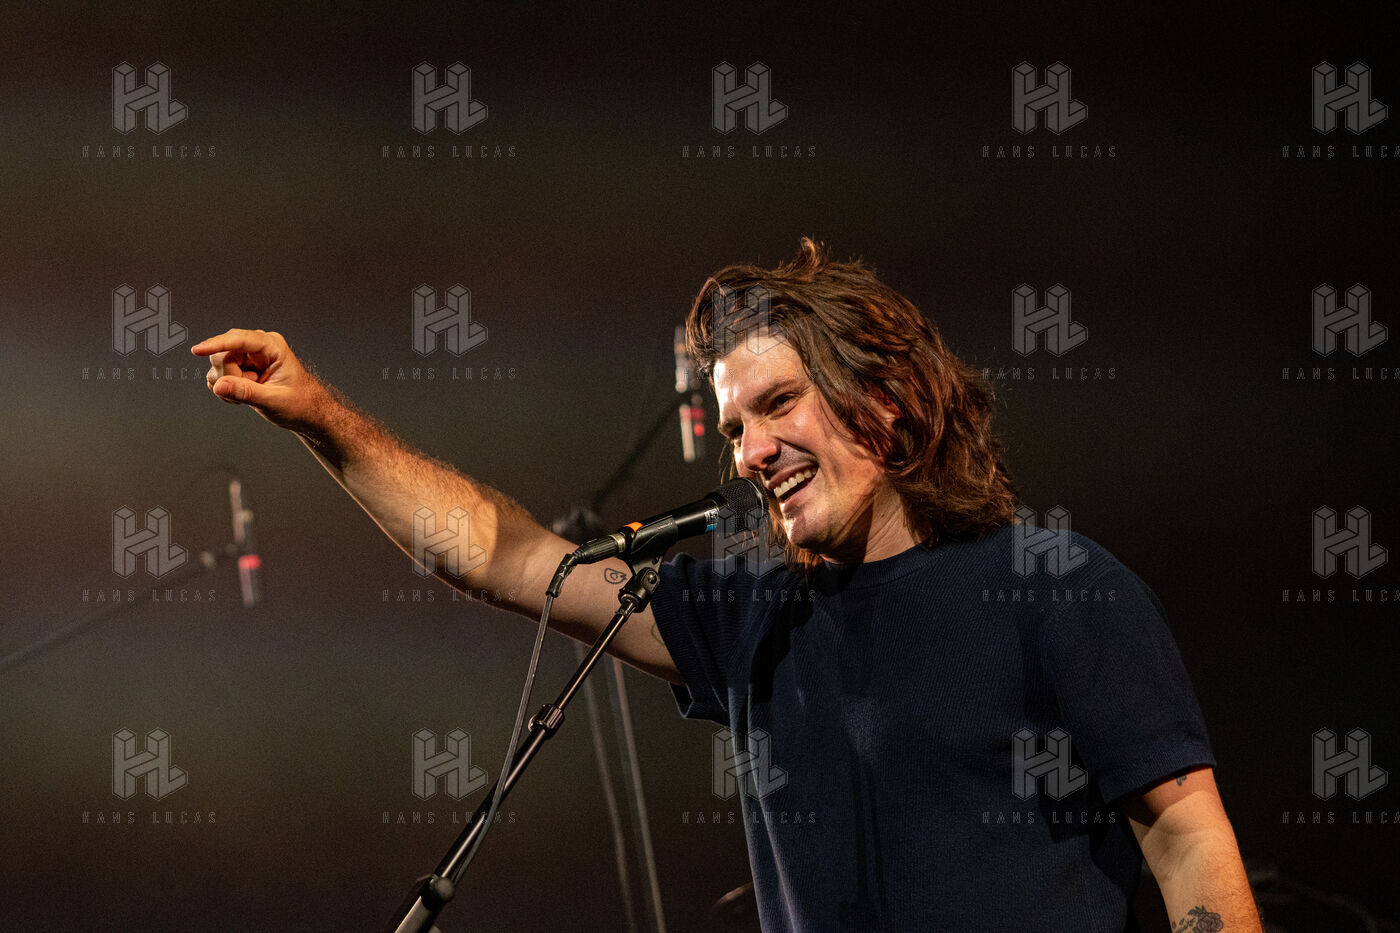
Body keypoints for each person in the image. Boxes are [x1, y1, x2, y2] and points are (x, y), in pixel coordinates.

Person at [194, 239, 1261, 932]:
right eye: (734, 425)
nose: (747, 451)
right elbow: (501, 555)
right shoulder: (753, 615)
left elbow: (1185, 837)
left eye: (778, 404)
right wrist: (321, 418)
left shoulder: (1059, 588)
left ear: (886, 396)